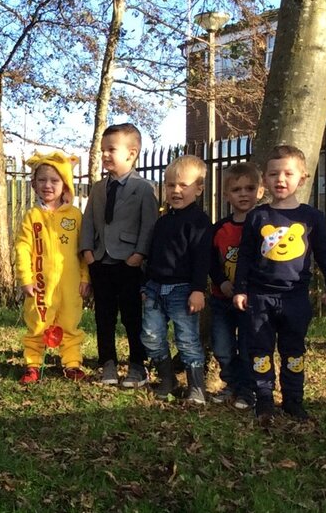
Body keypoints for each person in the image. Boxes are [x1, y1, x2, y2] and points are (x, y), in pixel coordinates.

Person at [232, 146, 326, 423]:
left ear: (303, 179)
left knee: (293, 349)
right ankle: (265, 398)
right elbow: (245, 255)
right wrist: (240, 289)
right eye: (273, 174)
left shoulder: (310, 217)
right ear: (265, 180)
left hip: (295, 297)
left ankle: (294, 399)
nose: (280, 179)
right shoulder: (257, 217)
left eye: (288, 173)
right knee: (260, 349)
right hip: (259, 297)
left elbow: (324, 254)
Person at [80, 123, 159, 387]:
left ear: (132, 153)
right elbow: (88, 221)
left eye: (111, 149)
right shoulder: (98, 189)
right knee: (104, 315)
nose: (104, 155)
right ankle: (108, 364)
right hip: (101, 261)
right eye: (103, 150)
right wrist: (89, 253)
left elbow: (149, 225)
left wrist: (139, 255)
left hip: (129, 263)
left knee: (132, 316)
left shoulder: (144, 188)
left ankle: (138, 365)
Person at [139, 155, 211, 404]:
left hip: (183, 289)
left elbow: (203, 259)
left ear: (199, 188)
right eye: (170, 185)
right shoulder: (163, 221)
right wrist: (145, 286)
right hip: (155, 289)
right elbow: (153, 255)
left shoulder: (200, 222)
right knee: (150, 335)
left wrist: (198, 290)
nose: (176, 191)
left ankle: (197, 387)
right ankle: (168, 379)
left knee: (187, 338)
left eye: (183, 185)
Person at [15, 152, 89, 383]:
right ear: (34, 184)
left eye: (54, 180)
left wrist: (86, 278)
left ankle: (72, 362)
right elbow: (23, 248)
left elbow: (84, 250)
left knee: (69, 323)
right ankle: (33, 363)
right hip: (40, 283)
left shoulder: (75, 216)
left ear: (65, 183)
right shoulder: (31, 216)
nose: (48, 185)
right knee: (38, 321)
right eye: (42, 180)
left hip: (70, 283)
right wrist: (26, 278)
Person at [207, 162, 261, 409]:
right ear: (227, 195)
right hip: (222, 299)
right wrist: (222, 282)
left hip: (252, 300)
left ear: (259, 192)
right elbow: (210, 261)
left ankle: (248, 389)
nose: (243, 194)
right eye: (237, 189)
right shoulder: (220, 228)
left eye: (249, 188)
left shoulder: (264, 226)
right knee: (223, 346)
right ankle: (231, 382)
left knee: (248, 346)